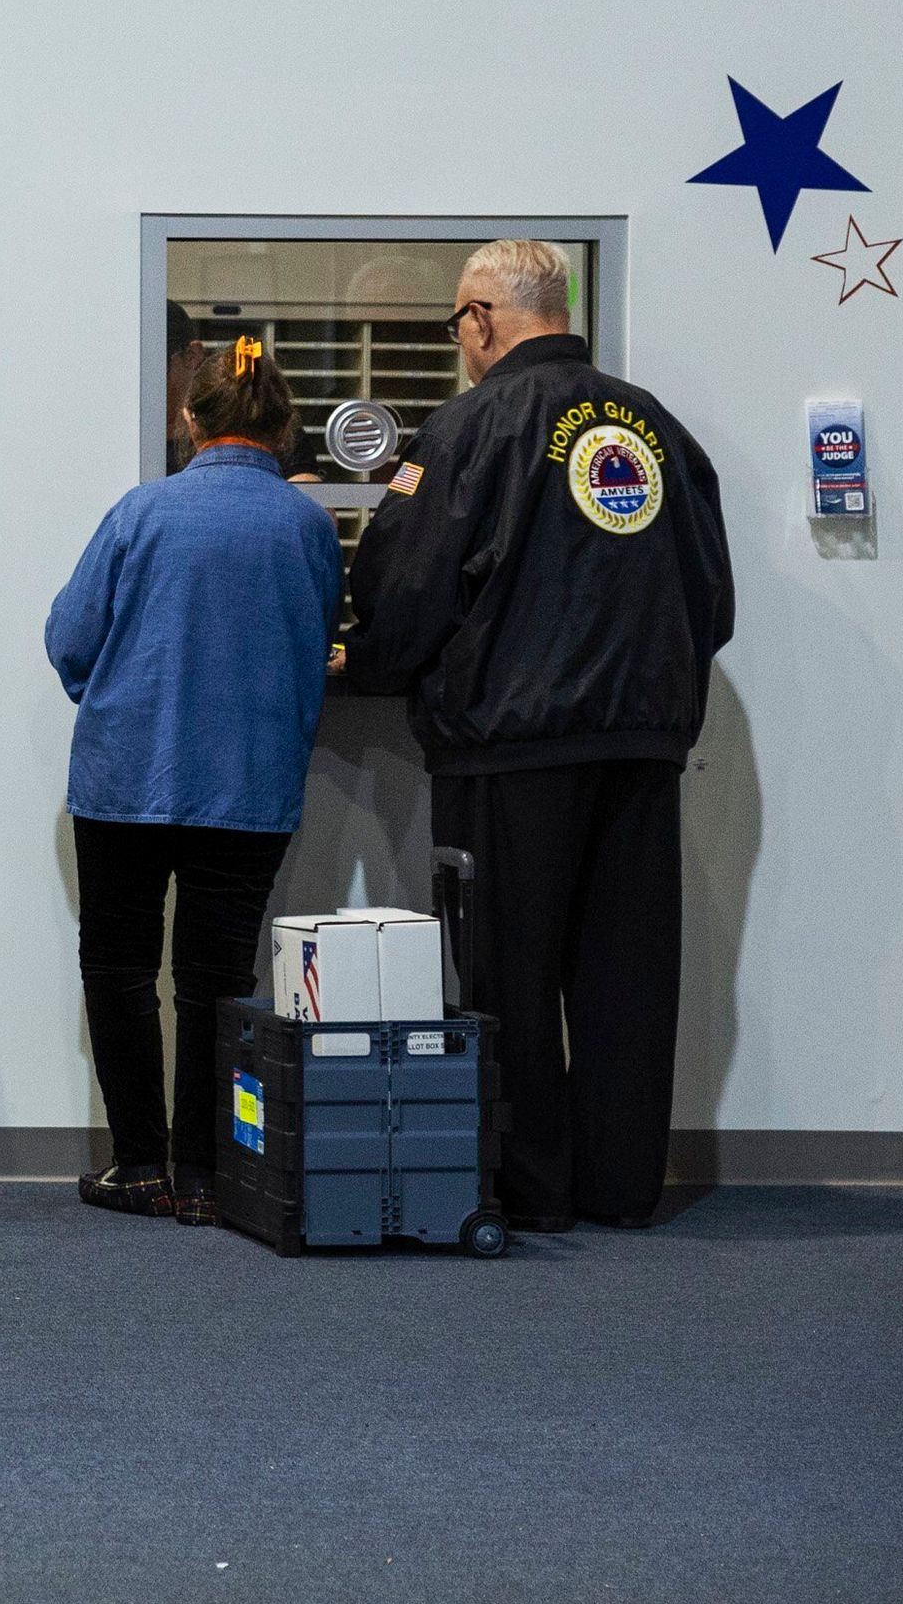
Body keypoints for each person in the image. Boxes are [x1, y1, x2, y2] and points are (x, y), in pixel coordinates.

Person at [340, 238, 731, 1232]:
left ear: (480, 319)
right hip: (642, 745)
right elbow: (713, 601)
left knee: (505, 977)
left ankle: (533, 1190)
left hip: (510, 746)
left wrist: (372, 663)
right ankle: (620, 1187)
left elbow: (408, 586)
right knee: (626, 980)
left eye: (457, 326)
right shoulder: (662, 432)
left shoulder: (473, 427)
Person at [44, 337, 343, 1222]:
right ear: (284, 424)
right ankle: (209, 1174)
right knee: (218, 980)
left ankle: (138, 1165)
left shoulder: (140, 513)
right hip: (248, 785)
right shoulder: (309, 525)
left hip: (124, 778)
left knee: (120, 969)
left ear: (189, 418)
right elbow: (319, 632)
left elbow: (70, 638)